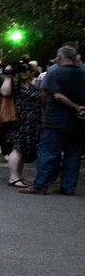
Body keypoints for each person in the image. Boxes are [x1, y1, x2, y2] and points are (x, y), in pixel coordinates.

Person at [22, 45, 85, 195]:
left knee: (48, 153)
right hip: (78, 122)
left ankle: (40, 185)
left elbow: (54, 95)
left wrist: (75, 107)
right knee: (73, 155)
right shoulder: (83, 72)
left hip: (56, 120)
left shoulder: (54, 72)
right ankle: (68, 187)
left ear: (59, 57)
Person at [1, 62, 42, 188]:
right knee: (17, 148)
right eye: (22, 70)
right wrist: (8, 75)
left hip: (32, 122)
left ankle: (18, 175)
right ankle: (13, 177)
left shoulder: (33, 86)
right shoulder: (14, 84)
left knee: (23, 150)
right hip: (17, 121)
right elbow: (5, 92)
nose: (25, 72)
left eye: (27, 70)